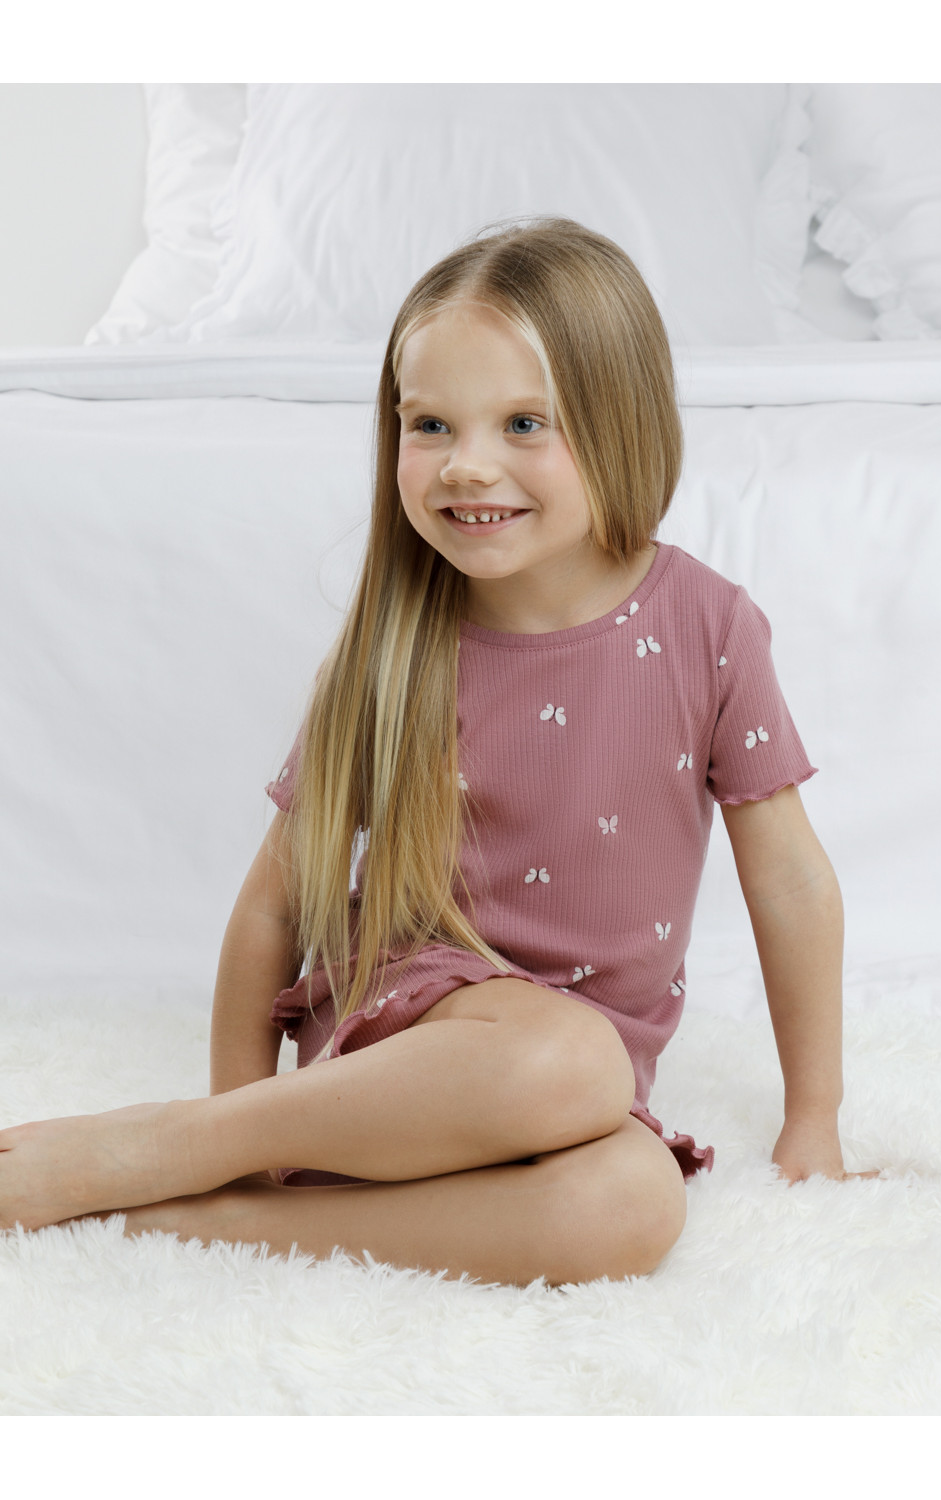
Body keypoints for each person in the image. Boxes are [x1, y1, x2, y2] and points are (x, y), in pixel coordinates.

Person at [0, 217, 879, 1285]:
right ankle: (167, 1148)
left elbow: (789, 879)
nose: (468, 465)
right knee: (569, 1058)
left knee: (635, 1203)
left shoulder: (708, 624)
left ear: (623, 422)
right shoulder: (396, 646)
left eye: (522, 423)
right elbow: (275, 905)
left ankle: (211, 1222)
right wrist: (236, 1118)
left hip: (575, 1087)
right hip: (401, 1040)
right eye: (429, 425)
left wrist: (814, 1118)